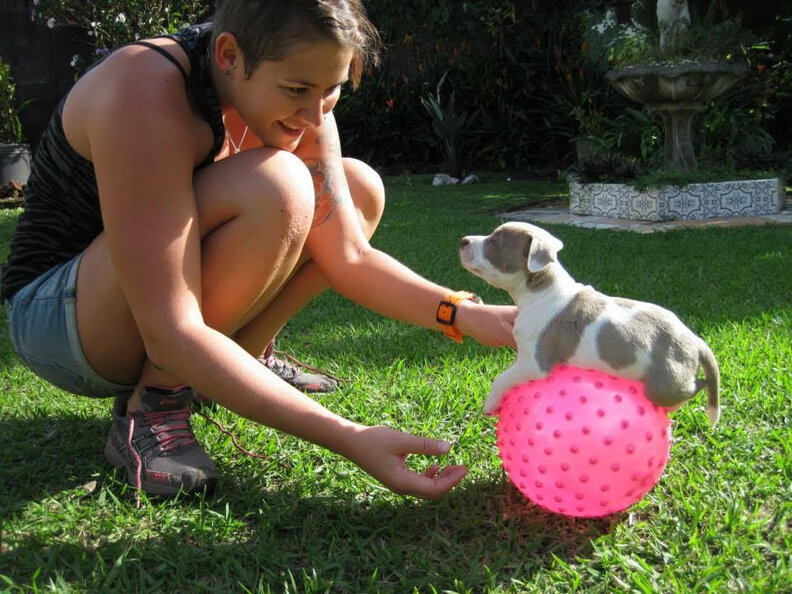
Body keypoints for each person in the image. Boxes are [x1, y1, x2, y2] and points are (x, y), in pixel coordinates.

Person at [1, 0, 516, 500]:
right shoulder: (145, 88)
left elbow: (350, 257)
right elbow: (169, 330)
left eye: (332, 91)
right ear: (228, 55)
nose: (315, 116)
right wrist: (348, 436)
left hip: (139, 308)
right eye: (297, 89)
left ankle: (246, 355)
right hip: (62, 320)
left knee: (357, 188)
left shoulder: (296, 94)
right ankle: (154, 406)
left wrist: (465, 315)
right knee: (279, 184)